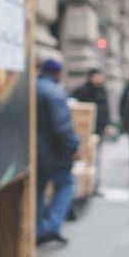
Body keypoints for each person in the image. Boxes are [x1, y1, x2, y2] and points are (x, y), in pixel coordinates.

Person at [35, 59, 80, 246]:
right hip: (54, 152)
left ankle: (37, 229)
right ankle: (51, 226)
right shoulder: (54, 93)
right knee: (66, 185)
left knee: (38, 190)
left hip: (35, 152)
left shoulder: (33, 87)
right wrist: (74, 146)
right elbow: (62, 126)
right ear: (57, 73)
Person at [71, 68, 113, 190]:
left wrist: (108, 124)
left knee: (96, 158)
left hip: (98, 129)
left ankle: (94, 186)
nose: (99, 78)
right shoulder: (81, 90)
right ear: (91, 77)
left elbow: (106, 108)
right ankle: (82, 186)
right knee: (83, 158)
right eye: (97, 76)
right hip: (83, 132)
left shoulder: (102, 90)